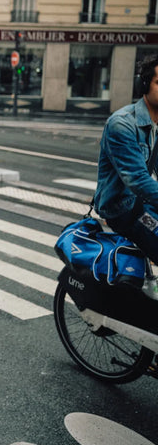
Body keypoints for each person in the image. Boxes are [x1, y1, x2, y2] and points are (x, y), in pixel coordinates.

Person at [94, 54, 158, 286]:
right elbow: (138, 180)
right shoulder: (122, 124)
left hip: (142, 203)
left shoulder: (155, 125)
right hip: (122, 207)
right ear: (144, 85)